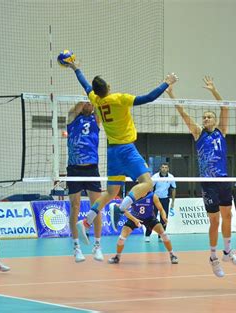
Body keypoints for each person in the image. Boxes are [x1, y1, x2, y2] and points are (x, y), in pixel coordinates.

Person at [64, 59, 178, 245]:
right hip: (127, 149)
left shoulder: (96, 100)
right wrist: (167, 82)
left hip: (112, 152)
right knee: (147, 183)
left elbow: (85, 84)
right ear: (108, 87)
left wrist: (74, 67)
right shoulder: (119, 99)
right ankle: (125, 204)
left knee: (109, 193)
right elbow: (148, 98)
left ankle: (85, 222)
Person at [168, 78, 236, 279]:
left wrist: (214, 90)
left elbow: (225, 107)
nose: (207, 119)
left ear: (215, 120)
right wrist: (171, 93)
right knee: (215, 220)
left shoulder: (222, 132)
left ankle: (227, 251)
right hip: (208, 182)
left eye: (209, 117)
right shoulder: (198, 133)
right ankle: (213, 257)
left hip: (224, 180)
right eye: (205, 117)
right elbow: (182, 113)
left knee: (227, 216)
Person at [66, 101, 103, 262]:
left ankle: (97, 246)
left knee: (97, 207)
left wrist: (94, 101)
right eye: (86, 104)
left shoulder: (96, 119)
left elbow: (100, 105)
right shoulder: (73, 118)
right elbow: (75, 108)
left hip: (92, 168)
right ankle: (76, 248)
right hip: (74, 169)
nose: (89, 105)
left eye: (91, 104)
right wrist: (84, 101)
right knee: (75, 206)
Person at [108, 191, 178, 264]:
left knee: (164, 235)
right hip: (134, 218)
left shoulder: (152, 196)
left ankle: (172, 255)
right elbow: (123, 209)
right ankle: (117, 257)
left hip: (149, 218)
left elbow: (161, 209)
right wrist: (135, 220)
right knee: (121, 238)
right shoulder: (132, 195)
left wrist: (164, 217)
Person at [146, 163, 176, 242]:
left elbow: (173, 189)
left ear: (168, 169)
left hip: (165, 199)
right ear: (160, 168)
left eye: (166, 167)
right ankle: (147, 235)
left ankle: (161, 235)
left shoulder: (171, 177)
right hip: (155, 199)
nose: (164, 169)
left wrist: (173, 201)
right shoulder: (155, 177)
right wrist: (149, 199)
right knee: (152, 217)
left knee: (164, 218)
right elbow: (150, 188)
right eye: (162, 167)